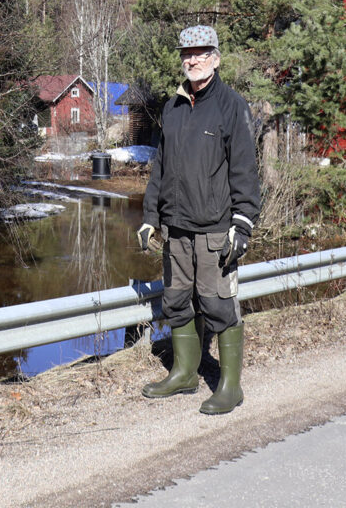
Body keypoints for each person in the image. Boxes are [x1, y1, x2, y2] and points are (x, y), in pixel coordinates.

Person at [137, 24, 260, 415]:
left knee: (218, 304)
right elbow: (160, 166)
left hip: (214, 231)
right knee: (176, 302)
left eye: (202, 53)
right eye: (187, 53)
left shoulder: (231, 106)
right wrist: (150, 216)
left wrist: (242, 224)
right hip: (176, 229)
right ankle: (185, 372)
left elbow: (244, 171)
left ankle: (230, 385)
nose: (193, 60)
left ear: (216, 59)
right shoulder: (172, 107)